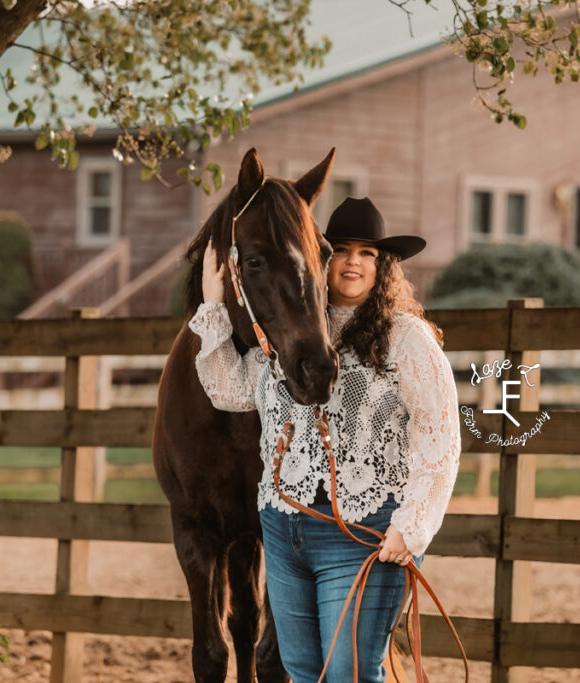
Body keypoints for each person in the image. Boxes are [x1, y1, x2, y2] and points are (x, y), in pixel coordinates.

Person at [189, 196, 460, 683]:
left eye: (368, 253)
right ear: (320, 260)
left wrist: (413, 525)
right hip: (285, 528)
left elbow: (440, 439)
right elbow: (229, 390)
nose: (354, 262)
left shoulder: (406, 337)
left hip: (365, 533)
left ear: (383, 267)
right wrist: (213, 305)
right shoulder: (290, 335)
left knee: (348, 673)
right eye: (343, 250)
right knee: (303, 671)